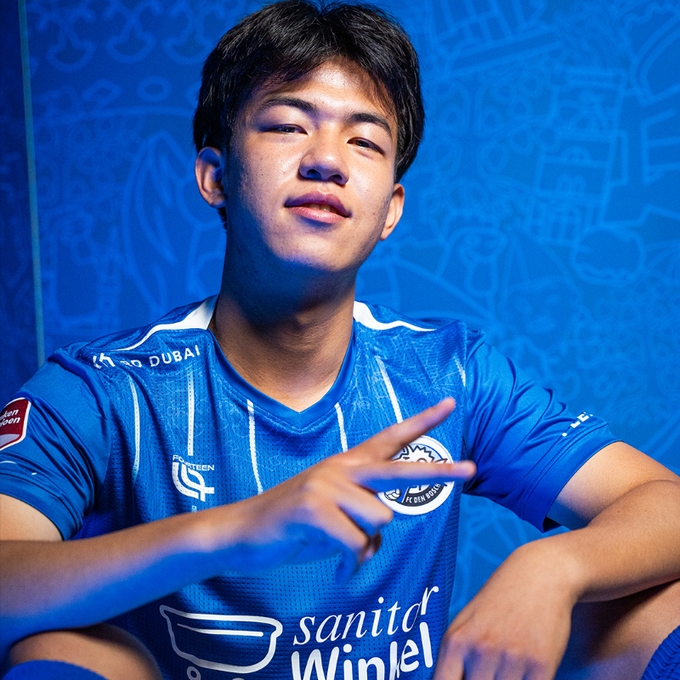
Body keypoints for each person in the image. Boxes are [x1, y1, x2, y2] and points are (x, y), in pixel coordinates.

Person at [1, 1, 679, 679]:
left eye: (364, 142)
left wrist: (553, 566)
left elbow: (664, 503)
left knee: (656, 604)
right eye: (288, 126)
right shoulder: (103, 389)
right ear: (215, 176)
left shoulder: (448, 374)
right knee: (52, 651)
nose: (326, 160)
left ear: (390, 210)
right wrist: (234, 529)